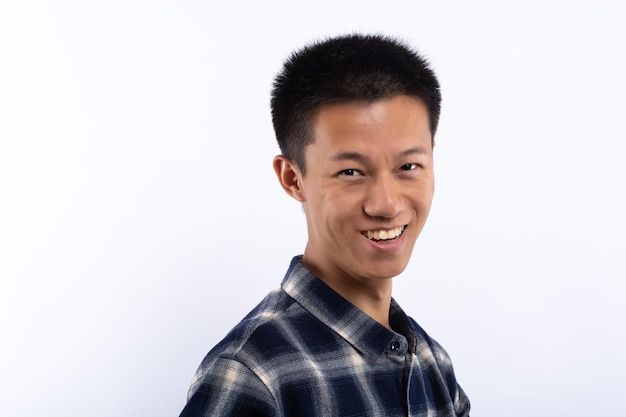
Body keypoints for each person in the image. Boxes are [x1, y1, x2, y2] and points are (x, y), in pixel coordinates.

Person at [179, 33, 470, 417]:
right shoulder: (254, 375)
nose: (387, 204)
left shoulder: (434, 365)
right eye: (351, 171)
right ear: (293, 178)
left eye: (408, 167)